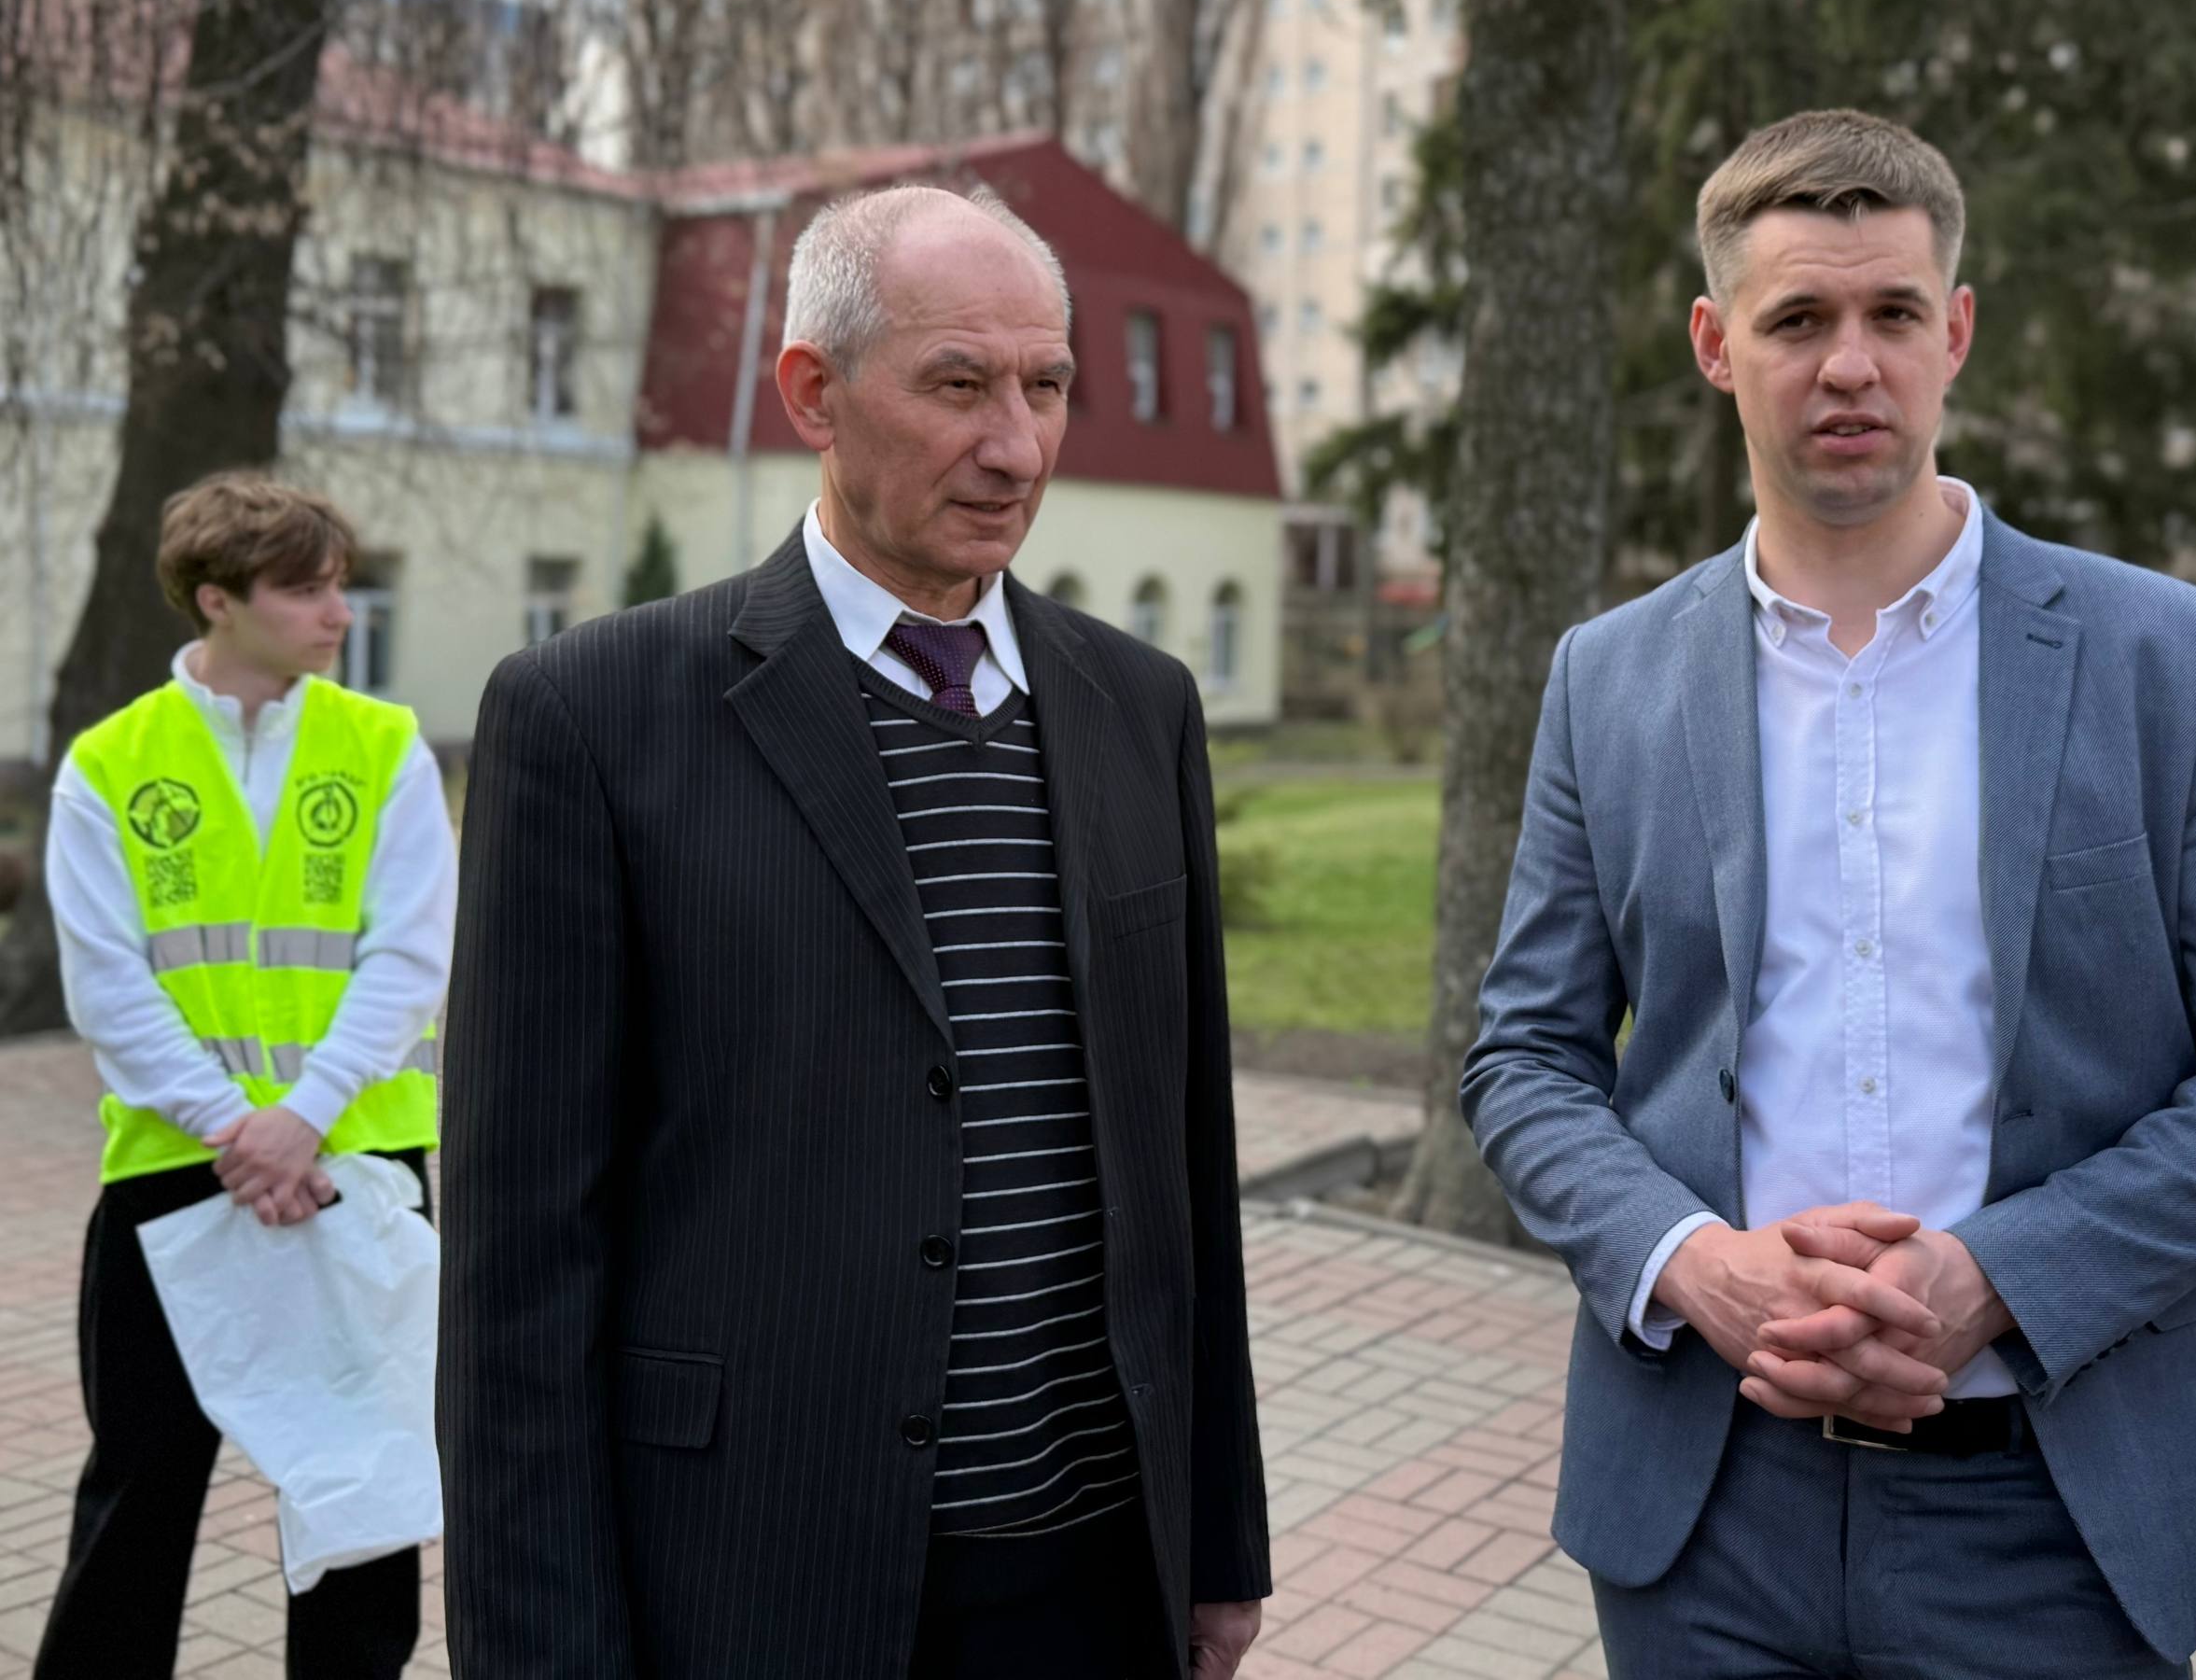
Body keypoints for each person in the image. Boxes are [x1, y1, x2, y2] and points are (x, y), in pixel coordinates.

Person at [1462, 109, 2196, 1680]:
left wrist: (1999, 1279)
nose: (1851, 366)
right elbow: (1523, 1061)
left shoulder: (2174, 661)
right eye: (1797, 321)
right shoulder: (1606, 679)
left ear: (1954, 333)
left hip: (2054, 1518)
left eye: (1892, 314)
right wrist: (1696, 1264)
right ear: (1715, 345)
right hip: (1700, 1518)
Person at [437, 183, 1270, 1679]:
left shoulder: (1140, 705)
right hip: (760, 1579)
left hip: (1096, 1575)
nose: (1016, 447)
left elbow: (1185, 1167)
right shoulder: (595, 717)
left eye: (1045, 387)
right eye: (958, 385)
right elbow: (518, 1272)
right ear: (813, 394)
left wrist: (1218, 1542)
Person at [35, 470, 455, 1680]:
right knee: (141, 1486)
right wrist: (243, 1127)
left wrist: (302, 1119)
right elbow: (108, 987)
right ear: (217, 599)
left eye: (339, 585)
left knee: (364, 1490)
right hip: (180, 1169)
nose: (339, 613)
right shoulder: (111, 763)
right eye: (305, 590)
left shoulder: (384, 747)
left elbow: (410, 958)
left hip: (356, 1163)